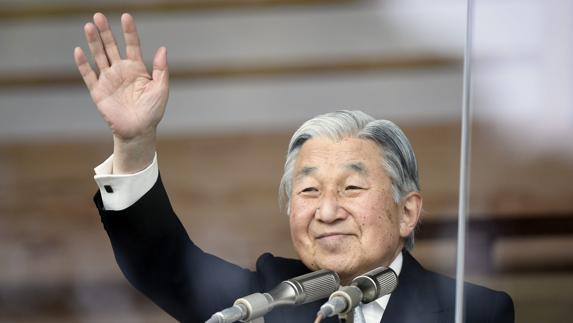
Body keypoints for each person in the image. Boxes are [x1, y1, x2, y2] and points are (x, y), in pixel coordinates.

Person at [74, 13, 514, 323]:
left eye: (351, 188)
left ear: (408, 212)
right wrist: (133, 143)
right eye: (308, 191)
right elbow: (162, 262)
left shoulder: (472, 312)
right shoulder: (271, 296)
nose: (327, 212)